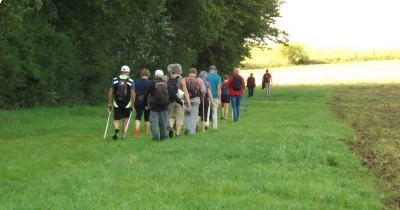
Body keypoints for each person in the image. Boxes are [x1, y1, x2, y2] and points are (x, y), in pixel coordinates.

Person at [107, 65, 135, 140]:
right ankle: (124, 135)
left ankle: (116, 128)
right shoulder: (130, 81)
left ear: (121, 71)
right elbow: (132, 93)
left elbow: (110, 92)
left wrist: (109, 104)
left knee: (116, 119)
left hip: (117, 102)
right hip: (127, 103)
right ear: (128, 72)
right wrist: (132, 105)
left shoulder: (115, 79)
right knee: (125, 119)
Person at [167, 63, 191, 138]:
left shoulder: (168, 78)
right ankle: (177, 134)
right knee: (179, 118)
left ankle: (171, 127)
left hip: (170, 100)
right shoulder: (181, 79)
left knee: (171, 116)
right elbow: (185, 91)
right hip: (180, 101)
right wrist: (188, 103)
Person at [146, 69, 170, 141]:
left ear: (155, 76)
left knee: (154, 123)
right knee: (164, 123)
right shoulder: (166, 83)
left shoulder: (152, 83)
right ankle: (164, 137)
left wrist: (146, 104)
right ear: (162, 76)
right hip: (164, 106)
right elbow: (171, 94)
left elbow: (146, 94)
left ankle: (155, 138)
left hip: (154, 107)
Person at [183, 67, 205, 135]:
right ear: (196, 73)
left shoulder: (184, 79)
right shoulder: (199, 80)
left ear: (189, 72)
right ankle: (192, 132)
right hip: (196, 100)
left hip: (186, 100)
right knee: (193, 116)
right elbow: (203, 90)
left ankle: (187, 128)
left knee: (186, 115)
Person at [133, 68, 152, 138]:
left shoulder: (135, 81)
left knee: (138, 116)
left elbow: (133, 92)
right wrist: (148, 104)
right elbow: (150, 94)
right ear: (148, 74)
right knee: (147, 118)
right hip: (146, 101)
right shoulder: (150, 82)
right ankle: (147, 132)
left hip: (137, 101)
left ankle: (136, 131)